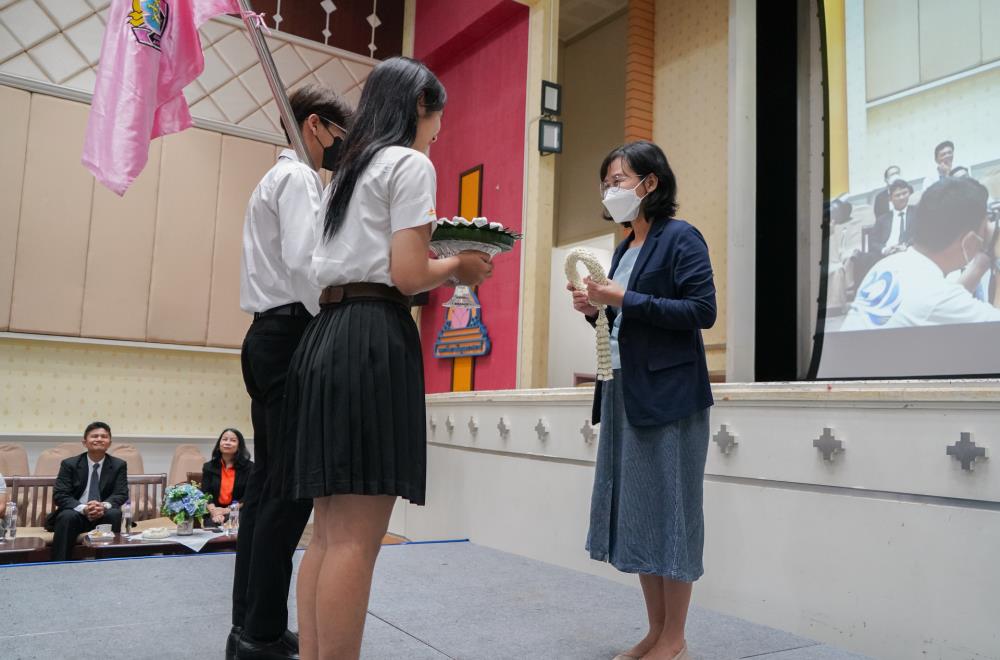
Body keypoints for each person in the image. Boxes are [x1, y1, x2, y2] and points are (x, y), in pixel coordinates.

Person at [280, 56, 492, 660]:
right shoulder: (409, 163)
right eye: (437, 117)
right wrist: (460, 265)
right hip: (371, 337)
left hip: (325, 336)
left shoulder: (345, 171)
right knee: (357, 539)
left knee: (327, 532)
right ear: (419, 106)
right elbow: (408, 273)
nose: (438, 131)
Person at [568, 141, 716, 660]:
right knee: (642, 514)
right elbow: (625, 322)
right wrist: (596, 310)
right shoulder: (625, 246)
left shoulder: (681, 237)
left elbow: (701, 311)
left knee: (672, 513)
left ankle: (675, 638)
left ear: (650, 183)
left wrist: (623, 298)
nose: (610, 191)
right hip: (624, 388)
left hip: (670, 395)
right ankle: (655, 631)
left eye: (619, 180)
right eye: (606, 182)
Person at [233, 83, 351, 660]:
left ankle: (251, 626)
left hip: (265, 336)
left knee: (265, 489)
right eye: (340, 134)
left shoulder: (273, 178)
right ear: (314, 126)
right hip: (289, 337)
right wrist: (343, 311)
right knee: (287, 492)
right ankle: (259, 635)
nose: (343, 146)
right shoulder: (300, 178)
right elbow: (308, 269)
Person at [843, 177, 1000, 329]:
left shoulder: (885, 265)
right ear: (969, 241)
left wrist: (981, 263)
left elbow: (945, 303)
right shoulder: (937, 297)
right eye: (986, 224)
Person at [45, 422, 128, 561]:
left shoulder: (118, 465)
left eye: (104, 436)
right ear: (84, 442)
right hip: (76, 513)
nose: (99, 439)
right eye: (94, 436)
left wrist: (103, 506)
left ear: (109, 442)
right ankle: (60, 564)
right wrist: (84, 508)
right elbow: (60, 495)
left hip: (103, 514)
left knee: (114, 513)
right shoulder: (70, 464)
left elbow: (121, 493)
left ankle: (109, 564)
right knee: (66, 516)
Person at [201, 428, 252, 525]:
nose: (227, 443)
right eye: (224, 439)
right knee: (212, 524)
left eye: (233, 440)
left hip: (238, 510)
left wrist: (227, 510)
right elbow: (206, 492)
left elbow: (249, 495)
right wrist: (214, 512)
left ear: (239, 446)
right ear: (219, 444)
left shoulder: (249, 467)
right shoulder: (209, 467)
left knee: (235, 523)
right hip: (214, 510)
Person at [869, 178, 914, 255]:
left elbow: (922, 234)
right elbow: (873, 242)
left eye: (904, 193)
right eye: (897, 195)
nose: (902, 197)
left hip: (909, 252)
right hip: (887, 254)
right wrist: (884, 250)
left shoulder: (917, 212)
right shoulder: (882, 219)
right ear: (890, 199)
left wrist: (907, 245)